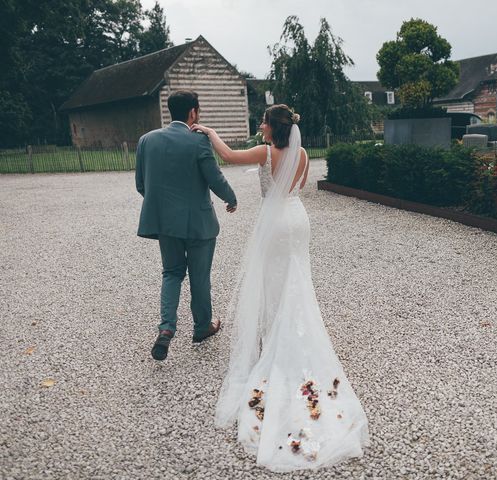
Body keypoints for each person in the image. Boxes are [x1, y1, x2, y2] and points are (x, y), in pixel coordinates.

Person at [191, 104, 369, 472]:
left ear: (273, 127)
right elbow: (297, 187)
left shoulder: (265, 152)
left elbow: (227, 155)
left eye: (263, 122)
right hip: (297, 218)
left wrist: (207, 131)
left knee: (273, 284)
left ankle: (276, 342)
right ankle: (294, 336)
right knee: (297, 283)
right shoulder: (302, 153)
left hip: (274, 222)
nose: (260, 126)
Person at [135, 90, 237, 361]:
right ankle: (202, 327)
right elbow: (214, 178)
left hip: (165, 224)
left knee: (171, 273)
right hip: (198, 224)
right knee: (199, 277)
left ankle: (166, 329)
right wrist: (231, 198)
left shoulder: (146, 140)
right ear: (193, 112)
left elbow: (141, 185)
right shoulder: (198, 141)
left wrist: (167, 209)